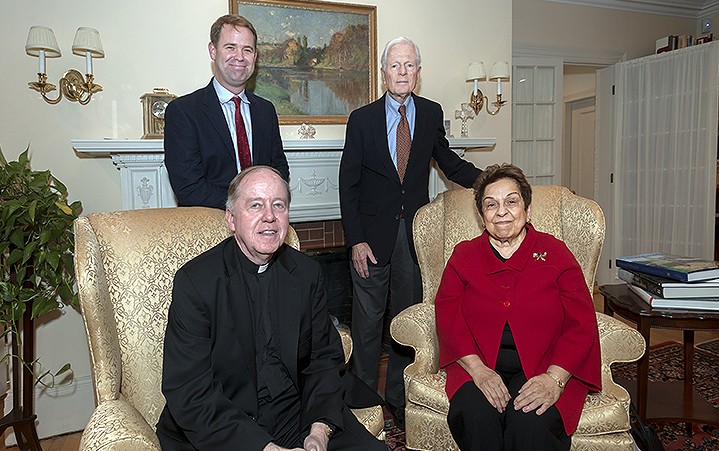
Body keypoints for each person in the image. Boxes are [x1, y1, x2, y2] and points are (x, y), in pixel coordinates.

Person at [156, 166, 385, 451]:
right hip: (226, 425)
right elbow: (191, 391)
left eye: (279, 205)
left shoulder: (306, 273)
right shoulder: (196, 282)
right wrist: (265, 448)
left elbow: (324, 360)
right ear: (231, 218)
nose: (269, 216)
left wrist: (318, 432)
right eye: (255, 205)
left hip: (297, 413)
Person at [338, 36, 482, 427]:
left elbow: (448, 163)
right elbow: (347, 184)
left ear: (418, 73)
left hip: (414, 239)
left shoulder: (432, 113)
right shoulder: (362, 119)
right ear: (383, 72)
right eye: (395, 65)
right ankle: (365, 401)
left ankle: (400, 401)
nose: (402, 72)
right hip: (369, 239)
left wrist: (489, 179)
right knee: (367, 326)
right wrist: (356, 240)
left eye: (409, 65)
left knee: (407, 322)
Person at [435, 163, 602, 450]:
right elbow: (447, 318)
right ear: (481, 215)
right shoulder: (464, 256)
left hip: (546, 365)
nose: (501, 211)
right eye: (491, 204)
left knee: (530, 422)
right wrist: (479, 371)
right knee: (476, 416)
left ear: (527, 210)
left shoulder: (556, 254)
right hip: (479, 365)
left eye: (511, 202)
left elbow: (582, 323)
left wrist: (554, 380)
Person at [164, 15, 289, 210]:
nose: (239, 56)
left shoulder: (266, 111)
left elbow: (279, 169)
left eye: (247, 49)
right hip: (209, 226)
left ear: (255, 57)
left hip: (264, 224)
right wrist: (248, 206)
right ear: (213, 50)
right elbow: (188, 187)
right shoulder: (184, 111)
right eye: (230, 47)